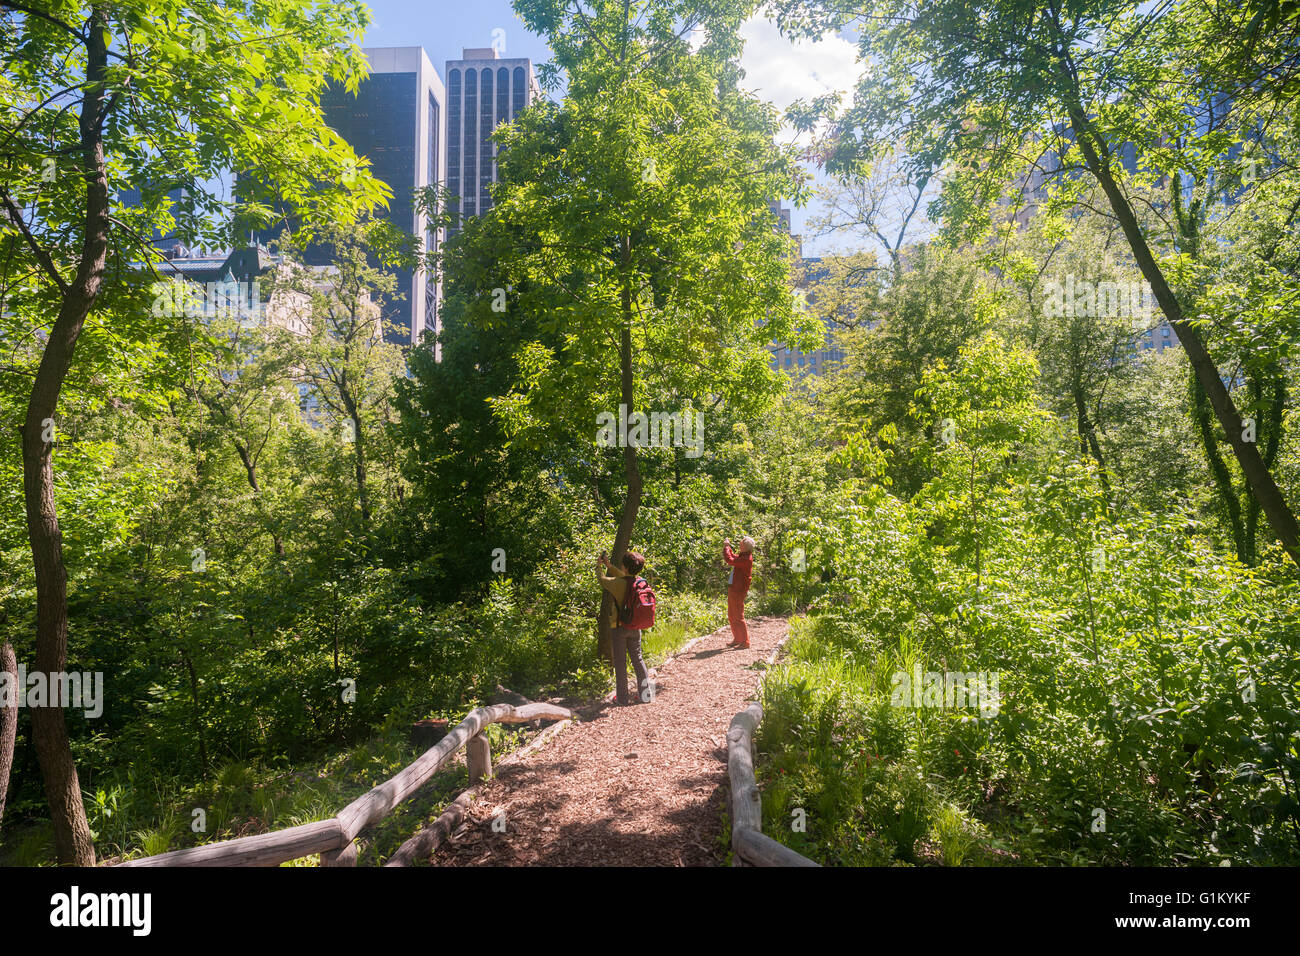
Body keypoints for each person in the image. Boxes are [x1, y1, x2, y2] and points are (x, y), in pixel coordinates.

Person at [597, 549, 651, 706]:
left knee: (620, 662)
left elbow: (602, 580)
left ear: (625, 567)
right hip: (635, 627)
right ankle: (646, 695)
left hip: (619, 627)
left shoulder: (617, 584)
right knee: (638, 659)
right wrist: (609, 565)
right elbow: (624, 576)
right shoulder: (639, 581)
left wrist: (599, 566)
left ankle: (622, 698)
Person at [722, 536, 754, 649]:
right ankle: (738, 638)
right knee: (732, 615)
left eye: (741, 544)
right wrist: (728, 548)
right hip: (734, 588)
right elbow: (733, 557)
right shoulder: (743, 556)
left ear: (745, 547)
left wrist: (726, 547)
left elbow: (730, 560)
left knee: (738, 616)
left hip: (738, 590)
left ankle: (745, 641)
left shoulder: (746, 558)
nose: (739, 545)